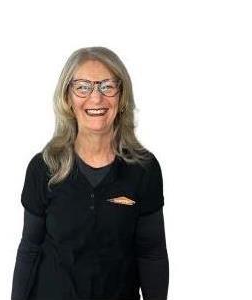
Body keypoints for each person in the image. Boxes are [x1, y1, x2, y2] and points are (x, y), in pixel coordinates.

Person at [11, 46, 169, 300]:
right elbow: (30, 248)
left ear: (122, 96)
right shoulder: (44, 168)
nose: (96, 98)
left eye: (107, 86)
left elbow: (152, 252)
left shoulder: (144, 169)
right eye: (83, 87)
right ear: (68, 98)